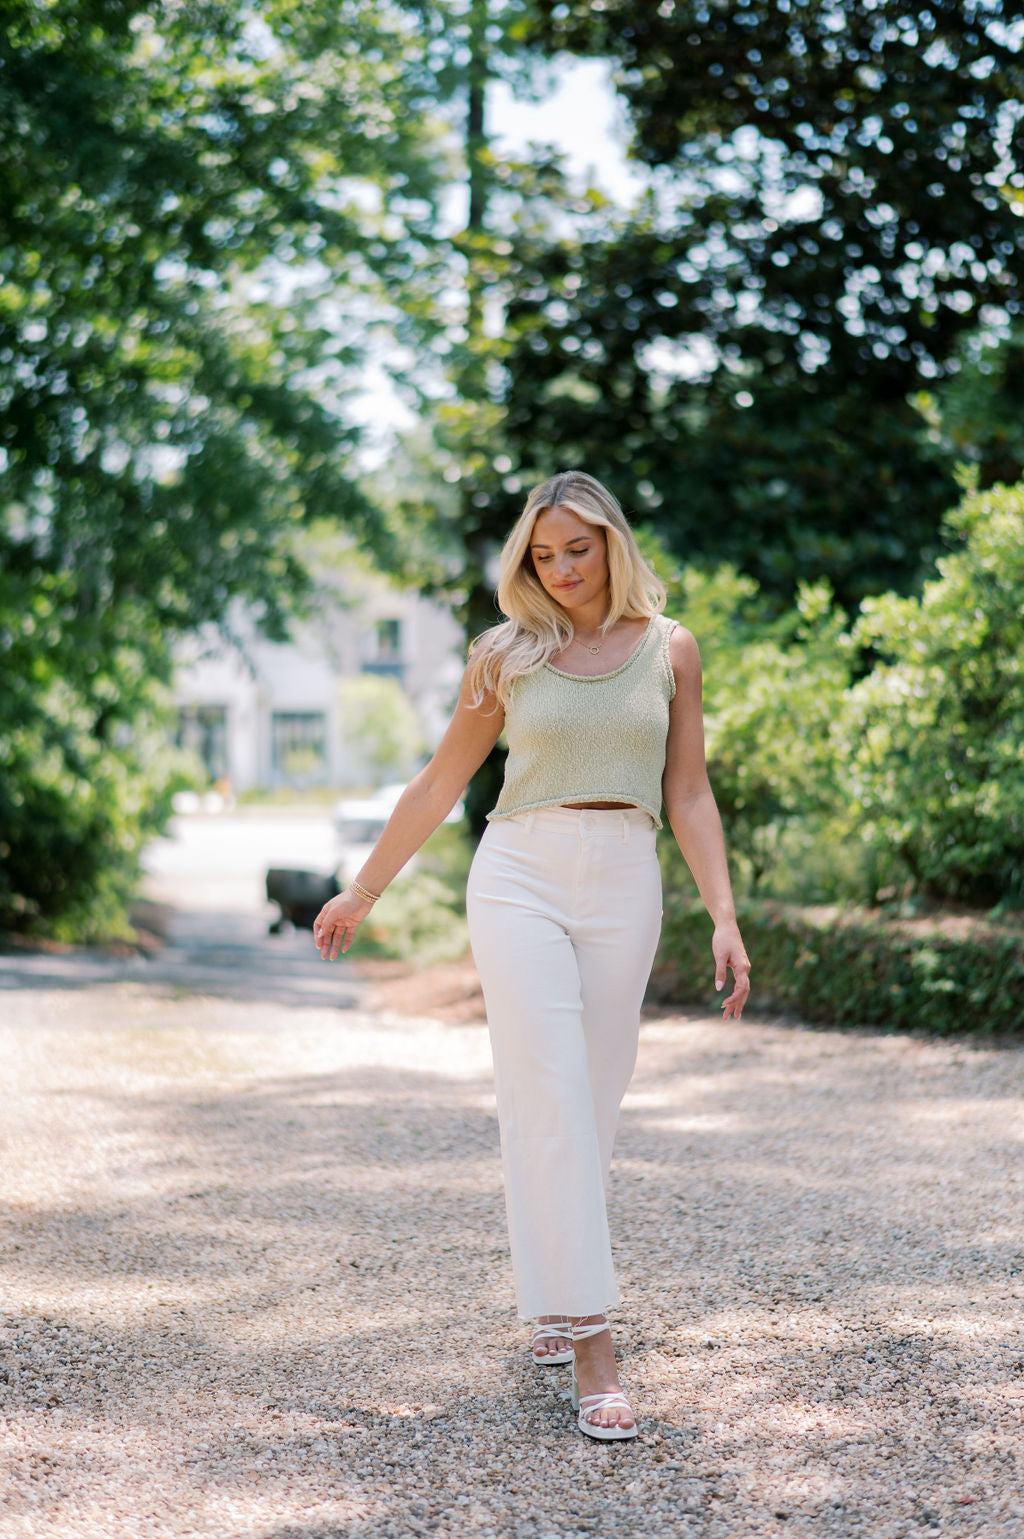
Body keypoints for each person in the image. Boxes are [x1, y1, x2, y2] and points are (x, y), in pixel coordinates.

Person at [313, 470, 751, 1442]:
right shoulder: (503, 656)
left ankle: (554, 1291)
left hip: (624, 875)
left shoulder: (668, 651)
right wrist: (364, 886)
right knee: (551, 1086)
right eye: (541, 555)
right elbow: (438, 783)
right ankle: (593, 1347)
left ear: (612, 544)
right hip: (519, 874)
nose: (558, 570)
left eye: (576, 550)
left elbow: (688, 793)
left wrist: (721, 913)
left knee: (587, 1101)